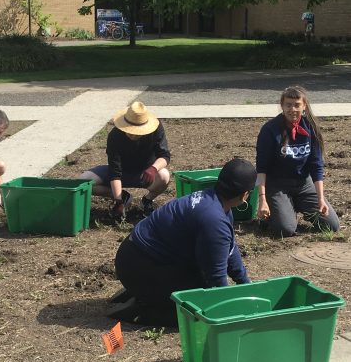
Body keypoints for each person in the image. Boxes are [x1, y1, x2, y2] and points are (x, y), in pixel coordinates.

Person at [109, 158, 255, 327]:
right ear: (244, 195)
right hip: (139, 268)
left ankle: (146, 292)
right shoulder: (214, 220)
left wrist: (245, 285)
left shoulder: (217, 204)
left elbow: (229, 249)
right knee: (199, 309)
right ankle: (145, 311)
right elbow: (215, 277)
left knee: (200, 281)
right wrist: (227, 312)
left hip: (134, 256)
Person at [256, 86, 339, 237]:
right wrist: (262, 199)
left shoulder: (310, 127)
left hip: (303, 184)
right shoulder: (269, 130)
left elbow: (316, 166)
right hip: (278, 185)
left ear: (304, 106)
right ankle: (279, 210)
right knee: (285, 230)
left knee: (331, 225)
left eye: (297, 105)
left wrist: (320, 199)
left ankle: (295, 205)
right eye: (288, 105)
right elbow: (261, 168)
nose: (292, 109)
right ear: (282, 105)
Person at [79, 101, 171, 219]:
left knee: (164, 175)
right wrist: (118, 200)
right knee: (84, 181)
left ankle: (147, 201)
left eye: (137, 132)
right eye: (130, 130)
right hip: (121, 172)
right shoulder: (115, 136)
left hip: (145, 174)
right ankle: (123, 197)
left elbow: (164, 155)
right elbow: (114, 171)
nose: (132, 135)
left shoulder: (156, 129)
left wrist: (153, 168)